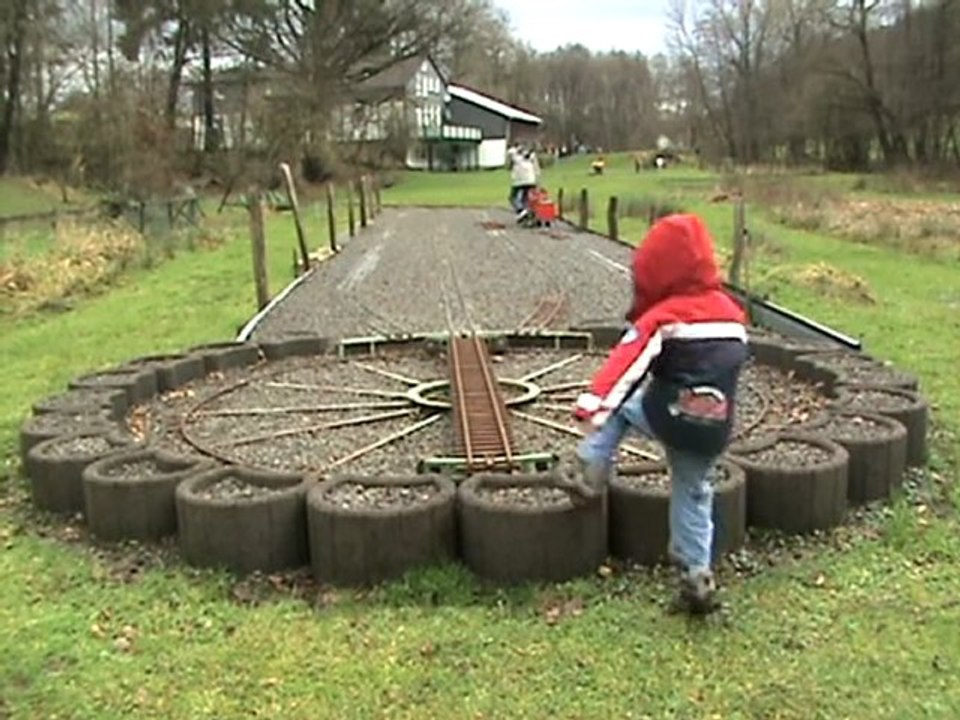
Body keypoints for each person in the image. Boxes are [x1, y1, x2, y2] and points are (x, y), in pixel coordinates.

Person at [571, 214, 749, 615]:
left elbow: (627, 362)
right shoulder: (733, 315)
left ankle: (593, 461)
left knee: (625, 409)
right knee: (694, 493)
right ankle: (697, 574)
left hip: (667, 413)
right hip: (712, 428)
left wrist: (593, 405)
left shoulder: (665, 316)